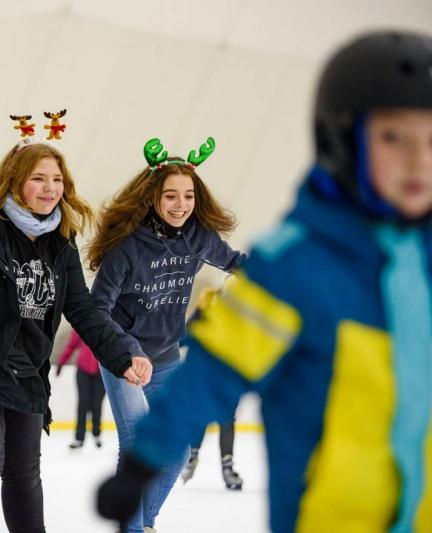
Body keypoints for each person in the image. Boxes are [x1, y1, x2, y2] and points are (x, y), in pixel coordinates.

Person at [97, 30, 432, 533]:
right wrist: (148, 453)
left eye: (431, 138)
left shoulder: (420, 265)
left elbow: (231, 258)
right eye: (392, 137)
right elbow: (216, 367)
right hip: (328, 516)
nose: (418, 159)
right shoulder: (294, 266)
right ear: (341, 139)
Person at [0, 120, 152, 533]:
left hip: (25, 373)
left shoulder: (60, 240)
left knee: (23, 473)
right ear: (15, 182)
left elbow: (83, 309)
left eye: (57, 180)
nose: (51, 188)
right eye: (39, 178)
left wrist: (123, 357)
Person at [86, 137, 245, 533]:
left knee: (176, 446)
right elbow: (96, 310)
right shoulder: (127, 248)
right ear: (153, 197)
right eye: (170, 196)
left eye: (188, 196)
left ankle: (144, 524)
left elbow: (236, 263)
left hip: (167, 357)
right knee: (139, 442)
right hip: (124, 359)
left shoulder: (199, 237)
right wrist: (126, 352)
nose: (180, 205)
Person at [179, 287, 243, 491]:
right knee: (202, 415)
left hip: (229, 374)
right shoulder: (208, 306)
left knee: (226, 419)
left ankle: (226, 466)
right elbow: (187, 333)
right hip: (205, 372)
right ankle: (193, 455)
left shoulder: (244, 316)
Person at [55, 329, 107, 449]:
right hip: (83, 370)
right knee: (83, 404)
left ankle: (96, 433)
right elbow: (71, 346)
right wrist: (61, 363)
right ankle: (79, 438)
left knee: (96, 403)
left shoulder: (108, 323)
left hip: (102, 371)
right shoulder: (82, 322)